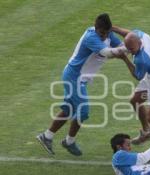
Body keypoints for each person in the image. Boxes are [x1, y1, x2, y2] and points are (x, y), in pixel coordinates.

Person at [36, 13, 128, 156]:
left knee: (68, 110)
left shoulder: (108, 34)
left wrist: (128, 46)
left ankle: (46, 136)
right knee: (83, 111)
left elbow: (121, 46)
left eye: (106, 33)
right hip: (74, 77)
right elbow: (107, 52)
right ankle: (69, 141)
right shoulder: (91, 37)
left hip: (80, 78)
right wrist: (128, 48)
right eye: (102, 33)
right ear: (96, 28)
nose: (104, 36)